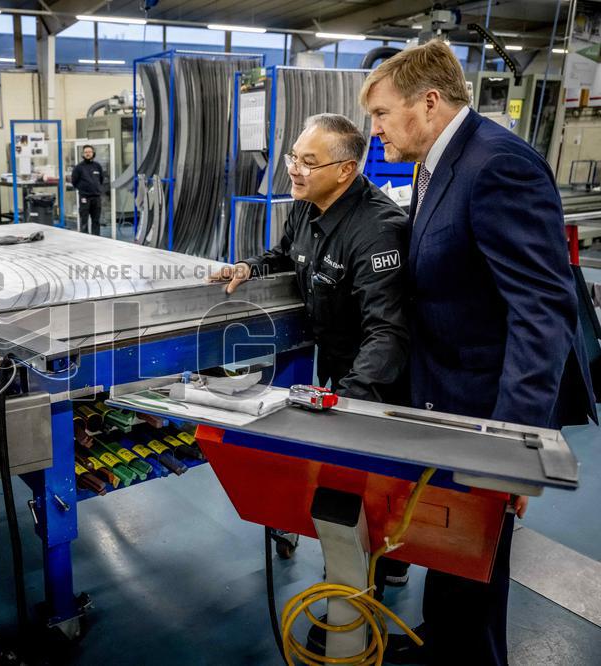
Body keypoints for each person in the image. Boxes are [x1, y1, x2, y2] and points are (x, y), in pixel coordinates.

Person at [360, 39, 597, 664]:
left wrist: (511, 450)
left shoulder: (498, 165)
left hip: (486, 409)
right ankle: (444, 647)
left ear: (428, 102)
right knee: (447, 550)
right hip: (443, 398)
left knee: (475, 565)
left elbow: (542, 312)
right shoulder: (437, 161)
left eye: (382, 113)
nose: (374, 128)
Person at [210, 113, 409, 403]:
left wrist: (346, 401)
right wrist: (249, 268)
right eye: (294, 157)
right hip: (335, 365)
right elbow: (286, 254)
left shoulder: (378, 232)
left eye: (309, 163)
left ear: (345, 170)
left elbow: (387, 334)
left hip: (375, 386)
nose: (293, 169)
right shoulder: (309, 203)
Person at [70, 145, 105, 235]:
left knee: (96, 221)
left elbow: (101, 179)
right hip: (84, 198)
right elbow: (74, 181)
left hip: (96, 198)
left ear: (93, 153)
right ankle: (84, 240)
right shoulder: (79, 167)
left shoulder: (97, 166)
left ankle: (97, 239)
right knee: (84, 220)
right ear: (83, 154)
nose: (88, 154)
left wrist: (95, 188)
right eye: (86, 152)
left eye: (89, 152)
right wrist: (83, 190)